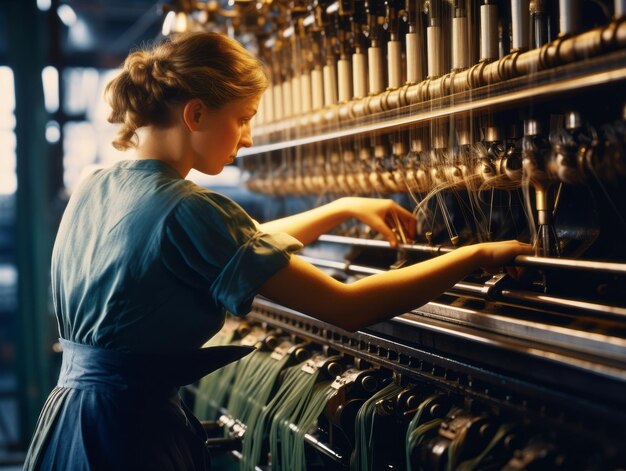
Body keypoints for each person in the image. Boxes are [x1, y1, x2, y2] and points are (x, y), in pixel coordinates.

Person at [24, 31, 532, 470]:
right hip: (128, 437)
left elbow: (237, 244)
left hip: (71, 419)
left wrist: (342, 207)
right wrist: (475, 257)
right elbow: (347, 306)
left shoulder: (96, 187)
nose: (246, 138)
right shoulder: (188, 209)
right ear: (195, 113)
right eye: (243, 118)